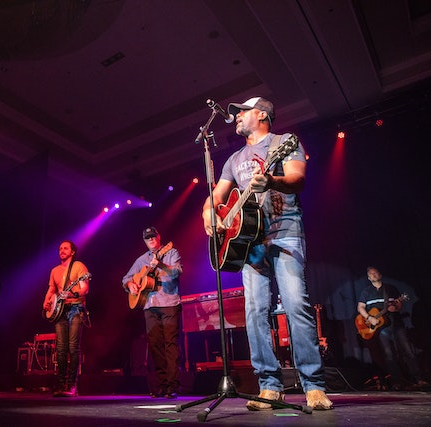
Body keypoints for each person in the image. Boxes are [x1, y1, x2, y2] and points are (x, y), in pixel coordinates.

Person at [201, 97, 332, 410]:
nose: (235, 117)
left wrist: (271, 180)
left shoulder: (284, 142)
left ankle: (313, 385)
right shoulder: (233, 159)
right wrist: (210, 214)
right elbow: (215, 197)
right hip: (249, 243)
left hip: (284, 233)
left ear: (261, 115)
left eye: (241, 112)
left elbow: (297, 179)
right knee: (254, 312)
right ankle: (269, 386)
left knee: (295, 305)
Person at [122, 227, 182, 399]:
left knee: (170, 345)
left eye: (153, 237)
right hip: (149, 305)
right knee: (155, 346)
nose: (151, 240)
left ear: (159, 237)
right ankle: (162, 386)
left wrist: (161, 264)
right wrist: (130, 285)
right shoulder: (141, 260)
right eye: (148, 238)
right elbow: (126, 278)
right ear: (144, 241)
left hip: (169, 302)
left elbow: (177, 271)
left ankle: (172, 386)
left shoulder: (170, 252)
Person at [357, 266, 429, 390]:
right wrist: (369, 318)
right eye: (370, 274)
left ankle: (419, 379)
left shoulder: (390, 289)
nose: (373, 275)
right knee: (388, 354)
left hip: (396, 324)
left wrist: (396, 307)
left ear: (380, 275)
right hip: (381, 328)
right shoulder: (366, 292)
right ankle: (397, 382)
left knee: (408, 351)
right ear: (368, 278)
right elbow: (360, 308)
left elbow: (399, 304)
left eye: (375, 273)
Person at [42, 240, 90, 397]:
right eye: (60, 248)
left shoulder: (79, 266)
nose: (61, 250)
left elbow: (85, 288)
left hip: (75, 308)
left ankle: (72, 385)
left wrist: (72, 294)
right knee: (61, 349)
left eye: (65, 248)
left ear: (72, 252)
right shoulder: (54, 270)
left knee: (73, 347)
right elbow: (51, 289)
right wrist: (46, 301)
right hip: (59, 310)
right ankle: (61, 384)